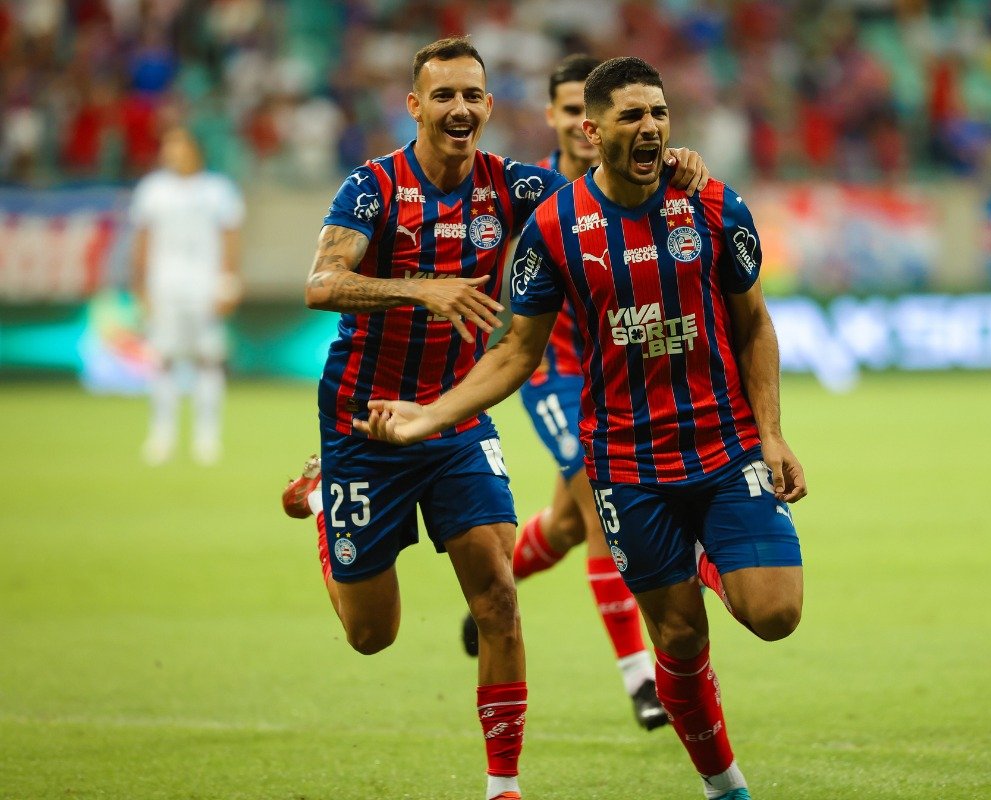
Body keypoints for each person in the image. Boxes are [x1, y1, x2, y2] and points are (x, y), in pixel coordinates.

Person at [355, 56, 806, 800]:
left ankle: (704, 555)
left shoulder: (716, 206)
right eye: (632, 116)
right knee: (682, 639)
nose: (651, 127)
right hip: (627, 465)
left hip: (724, 449)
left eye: (658, 113)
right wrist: (431, 415)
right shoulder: (554, 229)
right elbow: (515, 352)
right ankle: (727, 788)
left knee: (777, 612)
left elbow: (755, 325)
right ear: (592, 132)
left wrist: (773, 433)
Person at [291, 38, 708, 800]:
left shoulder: (510, 187)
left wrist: (670, 161)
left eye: (472, 96)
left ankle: (503, 786)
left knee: (498, 600)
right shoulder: (372, 188)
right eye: (443, 95)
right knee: (370, 634)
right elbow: (320, 284)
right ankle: (326, 504)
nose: (460, 109)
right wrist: (427, 289)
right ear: (414, 106)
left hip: (456, 421)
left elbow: (598, 196)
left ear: (489, 106)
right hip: (366, 423)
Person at [458, 52, 668, 733]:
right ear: (552, 117)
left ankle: (495, 582)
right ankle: (641, 678)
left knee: (572, 524)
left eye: (591, 109)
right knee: (601, 497)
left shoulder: (644, 181)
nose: (584, 122)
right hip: (551, 368)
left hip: (617, 369)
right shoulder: (534, 191)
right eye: (571, 109)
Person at [131, 126, 244, 466]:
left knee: (208, 358)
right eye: (168, 146)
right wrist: (140, 287)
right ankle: (161, 435)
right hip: (164, 286)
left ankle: (206, 438)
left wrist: (229, 281)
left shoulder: (218, 191)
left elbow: (231, 238)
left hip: (204, 287)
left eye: (178, 145)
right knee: (162, 359)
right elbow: (143, 241)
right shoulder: (152, 190)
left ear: (195, 149)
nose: (171, 152)